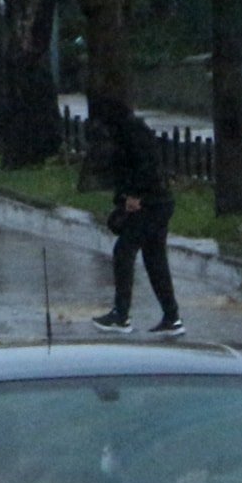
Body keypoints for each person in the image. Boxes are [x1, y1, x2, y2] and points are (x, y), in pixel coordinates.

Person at [86, 96, 182, 336]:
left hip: (148, 204)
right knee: (154, 259)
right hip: (158, 202)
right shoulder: (131, 130)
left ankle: (121, 315)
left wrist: (134, 196)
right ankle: (171, 316)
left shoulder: (130, 133)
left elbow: (143, 167)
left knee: (124, 251)